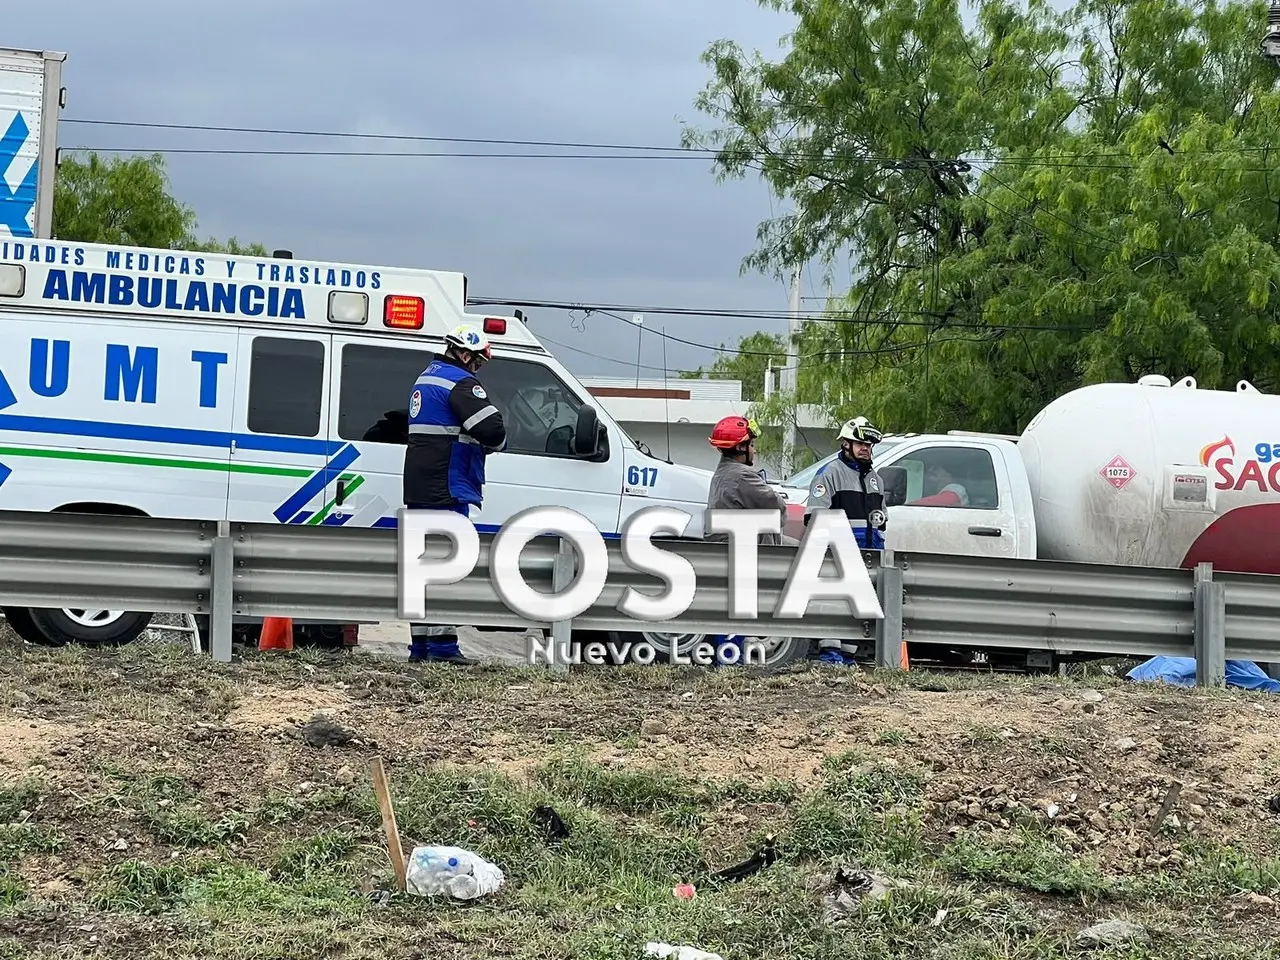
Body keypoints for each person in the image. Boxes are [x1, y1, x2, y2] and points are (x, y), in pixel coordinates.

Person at [402, 323, 508, 665]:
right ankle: (444, 648)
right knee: (448, 565)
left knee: (422, 568)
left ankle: (420, 648)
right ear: (464, 354)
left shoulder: (426, 378)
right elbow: (492, 430)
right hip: (448, 484)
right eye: (476, 361)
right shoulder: (459, 382)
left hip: (420, 486)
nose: (477, 369)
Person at [704, 415, 788, 665]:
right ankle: (730, 663)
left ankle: (727, 661)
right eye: (751, 444)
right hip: (742, 556)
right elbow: (778, 509)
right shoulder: (743, 477)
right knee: (737, 615)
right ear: (740, 447)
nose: (755, 449)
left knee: (730, 614)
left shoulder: (722, 474)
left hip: (727, 554)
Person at [804, 416, 888, 665]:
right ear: (845, 445)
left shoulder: (875, 479)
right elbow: (816, 517)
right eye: (860, 443)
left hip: (870, 553)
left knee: (859, 608)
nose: (866, 448)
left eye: (869, 445)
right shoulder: (829, 474)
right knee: (835, 604)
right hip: (839, 553)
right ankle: (830, 656)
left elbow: (880, 519)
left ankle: (849, 656)